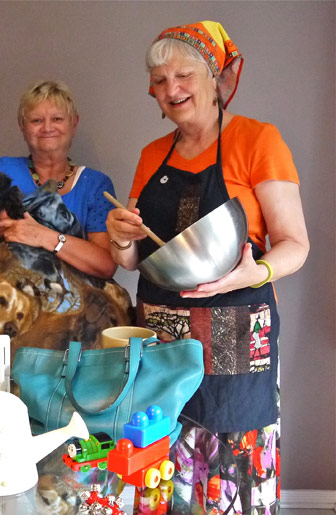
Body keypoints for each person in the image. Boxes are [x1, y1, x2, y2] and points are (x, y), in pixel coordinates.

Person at [106, 21, 309, 514]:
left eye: (183, 75)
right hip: (161, 334)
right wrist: (119, 239)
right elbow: (137, 259)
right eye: (159, 79)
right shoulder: (152, 155)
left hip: (236, 336)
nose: (171, 89)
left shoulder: (259, 141)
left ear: (215, 79)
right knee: (161, 460)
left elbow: (295, 245)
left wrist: (253, 273)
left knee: (231, 473)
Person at [0, 80, 117, 279]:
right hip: (7, 297)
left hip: (75, 304)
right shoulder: (4, 170)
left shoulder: (96, 185)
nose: (47, 128)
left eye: (57, 119)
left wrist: (43, 236)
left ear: (74, 124)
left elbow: (105, 266)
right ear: (22, 127)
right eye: (36, 121)